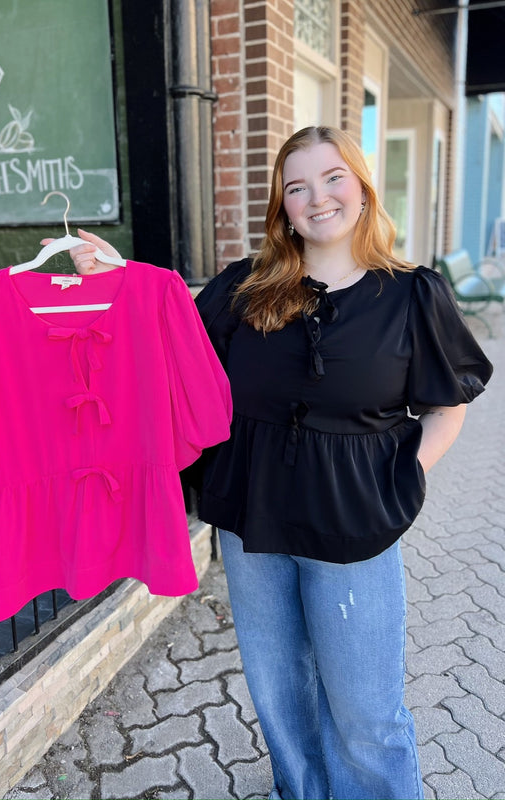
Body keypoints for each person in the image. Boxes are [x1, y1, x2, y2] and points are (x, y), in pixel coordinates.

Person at [65, 125, 493, 800]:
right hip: (251, 522)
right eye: (297, 187)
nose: (317, 198)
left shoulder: (413, 293)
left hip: (355, 523)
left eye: (332, 178)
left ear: (361, 187)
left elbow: (449, 405)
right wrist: (117, 275)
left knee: (364, 713)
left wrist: (404, 476)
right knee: (281, 694)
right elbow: (167, 333)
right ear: (282, 207)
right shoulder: (247, 287)